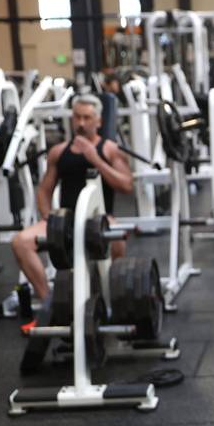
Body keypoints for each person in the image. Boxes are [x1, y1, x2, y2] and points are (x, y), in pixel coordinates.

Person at [11, 95, 133, 322]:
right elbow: (45, 190)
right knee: (21, 242)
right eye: (77, 117)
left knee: (118, 239)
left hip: (100, 219)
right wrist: (48, 217)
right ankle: (50, 302)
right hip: (65, 222)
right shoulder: (59, 152)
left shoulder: (110, 149)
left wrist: (94, 159)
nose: (81, 123)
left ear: (98, 121)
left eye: (87, 117)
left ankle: (113, 298)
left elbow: (126, 185)